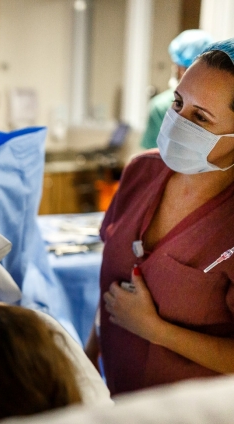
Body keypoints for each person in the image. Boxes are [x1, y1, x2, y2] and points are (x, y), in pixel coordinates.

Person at [87, 38, 234, 395]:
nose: (178, 122)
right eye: (178, 103)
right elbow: (113, 286)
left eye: (200, 117)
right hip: (115, 398)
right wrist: (89, 356)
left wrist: (157, 331)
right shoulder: (142, 171)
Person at [141, 29, 213, 149]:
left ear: (178, 67)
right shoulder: (219, 103)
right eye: (178, 104)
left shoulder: (161, 105)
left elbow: (152, 159)